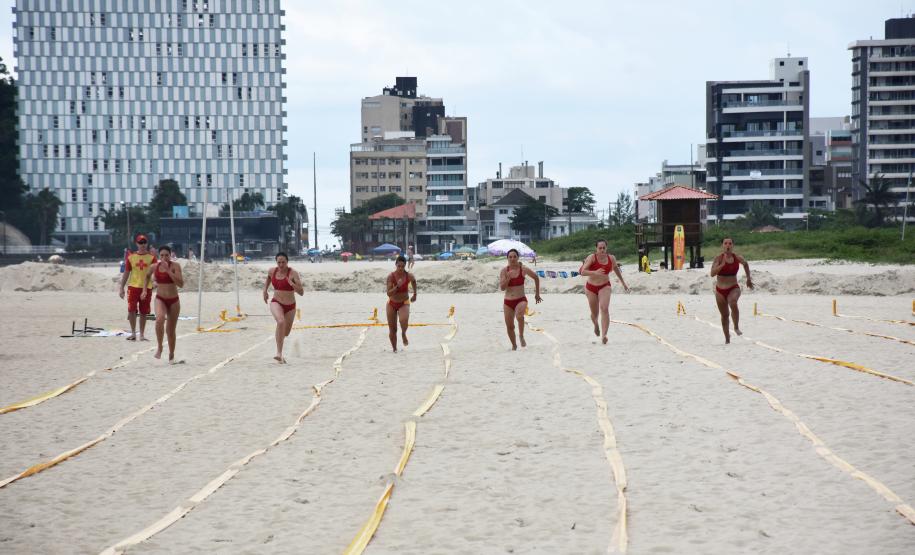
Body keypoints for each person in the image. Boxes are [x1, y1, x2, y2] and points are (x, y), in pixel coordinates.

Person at [579, 239, 630, 345]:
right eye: (600, 248)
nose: (602, 250)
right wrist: (595, 272)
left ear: (606, 248)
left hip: (604, 286)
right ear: (596, 248)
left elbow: (616, 269)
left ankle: (604, 335)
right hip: (591, 288)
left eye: (604, 248)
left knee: (604, 308)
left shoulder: (611, 258)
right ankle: (596, 325)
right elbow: (583, 272)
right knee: (595, 313)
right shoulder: (592, 257)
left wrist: (623, 283)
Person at [143, 245, 184, 362]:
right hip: (160, 298)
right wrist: (145, 290)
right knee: (160, 319)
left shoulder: (175, 266)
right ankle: (160, 347)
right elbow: (146, 277)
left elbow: (181, 284)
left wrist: (168, 270)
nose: (164, 257)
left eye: (166, 255)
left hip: (173, 300)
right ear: (158, 256)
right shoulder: (154, 266)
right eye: (162, 255)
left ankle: (171, 354)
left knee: (170, 331)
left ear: (170, 255)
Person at [262, 252, 304, 363]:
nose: (281, 265)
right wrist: (265, 291)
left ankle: (280, 354)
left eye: (283, 262)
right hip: (276, 302)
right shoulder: (272, 271)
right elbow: (268, 279)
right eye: (279, 262)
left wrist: (292, 284)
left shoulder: (293, 273)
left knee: (285, 333)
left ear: (287, 262)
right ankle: (279, 354)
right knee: (280, 321)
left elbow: (301, 292)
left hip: (290, 306)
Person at [710, 237, 753, 344]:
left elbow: (745, 264)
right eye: (725, 243)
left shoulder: (737, 258)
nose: (728, 245)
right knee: (724, 316)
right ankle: (727, 339)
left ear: (732, 245)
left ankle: (736, 327)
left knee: (733, 302)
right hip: (720, 290)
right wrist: (722, 265)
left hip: (733, 287)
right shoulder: (718, 258)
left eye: (730, 243)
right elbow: (712, 273)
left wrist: (748, 278)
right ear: (722, 245)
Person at [499, 249, 542, 350]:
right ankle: (514, 346)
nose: (512, 259)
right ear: (507, 258)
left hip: (521, 299)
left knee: (519, 316)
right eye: (510, 257)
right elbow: (502, 288)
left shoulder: (523, 269)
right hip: (508, 302)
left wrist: (537, 294)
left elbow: (536, 277)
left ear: (518, 258)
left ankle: (521, 335)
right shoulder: (504, 271)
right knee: (510, 327)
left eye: (514, 256)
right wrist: (508, 278)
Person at [118, 234, 157, 341]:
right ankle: (133, 333)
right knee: (131, 310)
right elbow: (126, 273)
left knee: (144, 312)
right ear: (136, 244)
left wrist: (155, 281)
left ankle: (142, 334)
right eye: (140, 242)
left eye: (144, 242)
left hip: (147, 288)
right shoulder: (131, 257)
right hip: (133, 287)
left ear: (147, 244)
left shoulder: (152, 258)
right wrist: (121, 287)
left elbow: (156, 272)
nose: (142, 244)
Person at [386, 255, 417, 352]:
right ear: (396, 265)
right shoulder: (391, 276)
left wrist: (415, 294)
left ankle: (403, 333)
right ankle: (394, 349)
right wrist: (397, 287)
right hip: (391, 303)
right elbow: (388, 293)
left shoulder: (409, 276)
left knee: (403, 320)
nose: (400, 268)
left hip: (404, 302)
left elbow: (414, 282)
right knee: (392, 329)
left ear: (405, 266)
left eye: (402, 266)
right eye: (399, 266)